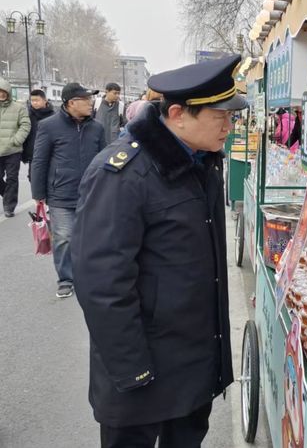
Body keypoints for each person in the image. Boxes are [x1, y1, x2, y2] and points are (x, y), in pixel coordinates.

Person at [72, 54, 247, 447]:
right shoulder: (123, 174)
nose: (230, 126)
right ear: (178, 114)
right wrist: (132, 371)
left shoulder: (203, 163)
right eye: (221, 116)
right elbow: (102, 284)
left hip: (191, 368)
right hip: (140, 374)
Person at [31, 82, 105, 298]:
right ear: (72, 103)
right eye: (87, 99)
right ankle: (66, 278)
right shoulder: (48, 126)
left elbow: (105, 159)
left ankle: (91, 274)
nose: (91, 103)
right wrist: (38, 194)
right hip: (60, 194)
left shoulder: (97, 128)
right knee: (64, 237)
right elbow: (39, 161)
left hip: (93, 192)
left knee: (93, 236)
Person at [0, 77, 31, 217]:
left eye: (3, 92)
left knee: (12, 178)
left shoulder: (19, 107)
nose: (1, 94)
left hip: (13, 150)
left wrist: (17, 140)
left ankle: (9, 206)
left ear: (8, 92)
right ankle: (8, 194)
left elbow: (25, 125)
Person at [22, 88, 55, 180]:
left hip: (50, 153)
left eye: (37, 100)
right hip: (33, 153)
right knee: (33, 178)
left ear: (45, 100)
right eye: (32, 100)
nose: (34, 103)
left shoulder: (53, 116)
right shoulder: (27, 116)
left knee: (48, 178)